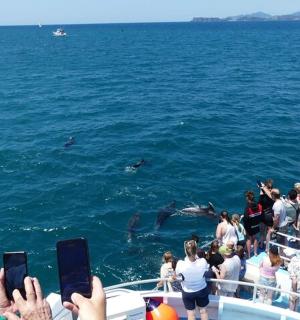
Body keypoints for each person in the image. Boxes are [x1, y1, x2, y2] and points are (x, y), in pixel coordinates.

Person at [175, 240, 209, 320]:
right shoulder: (203, 261)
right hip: (202, 289)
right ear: (196, 250)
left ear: (185, 251)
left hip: (188, 292)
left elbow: (177, 275)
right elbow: (206, 270)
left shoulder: (181, 264)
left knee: (191, 314)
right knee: (203, 311)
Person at [243, 191, 262, 258]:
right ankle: (255, 252)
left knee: (248, 239)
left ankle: (248, 255)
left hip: (249, 226)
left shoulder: (247, 208)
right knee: (256, 238)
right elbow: (260, 215)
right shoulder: (259, 205)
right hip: (257, 224)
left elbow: (246, 218)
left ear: (247, 198)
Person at [258, 179, 275, 250]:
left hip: (263, 216)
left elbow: (260, 202)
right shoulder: (274, 197)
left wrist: (262, 188)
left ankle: (261, 245)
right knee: (269, 233)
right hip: (270, 216)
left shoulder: (262, 196)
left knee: (262, 232)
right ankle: (267, 248)